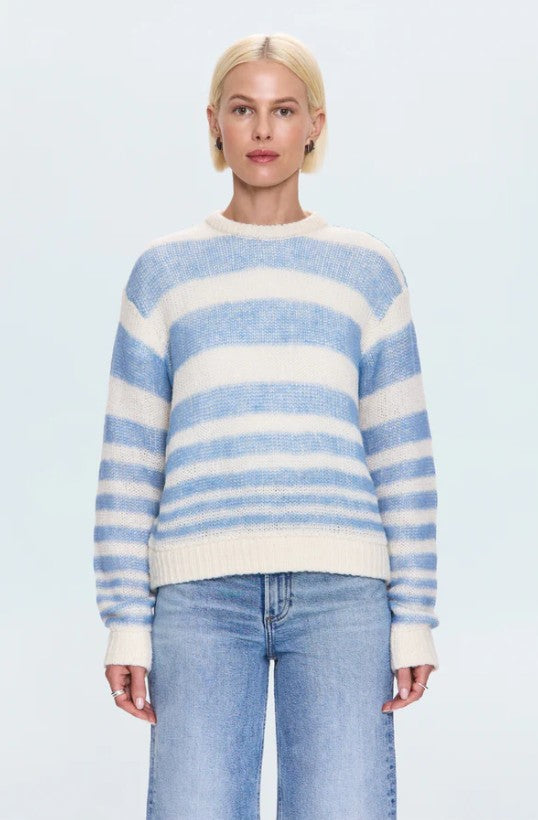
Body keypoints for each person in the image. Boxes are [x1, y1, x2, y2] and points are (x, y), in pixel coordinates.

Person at [93, 31, 440, 819]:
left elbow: (403, 459)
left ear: (315, 124)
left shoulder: (366, 270)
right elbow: (130, 462)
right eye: (243, 109)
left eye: (284, 110)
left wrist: (415, 619)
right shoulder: (163, 273)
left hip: (342, 595)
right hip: (198, 596)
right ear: (213, 122)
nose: (262, 129)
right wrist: (127, 623)